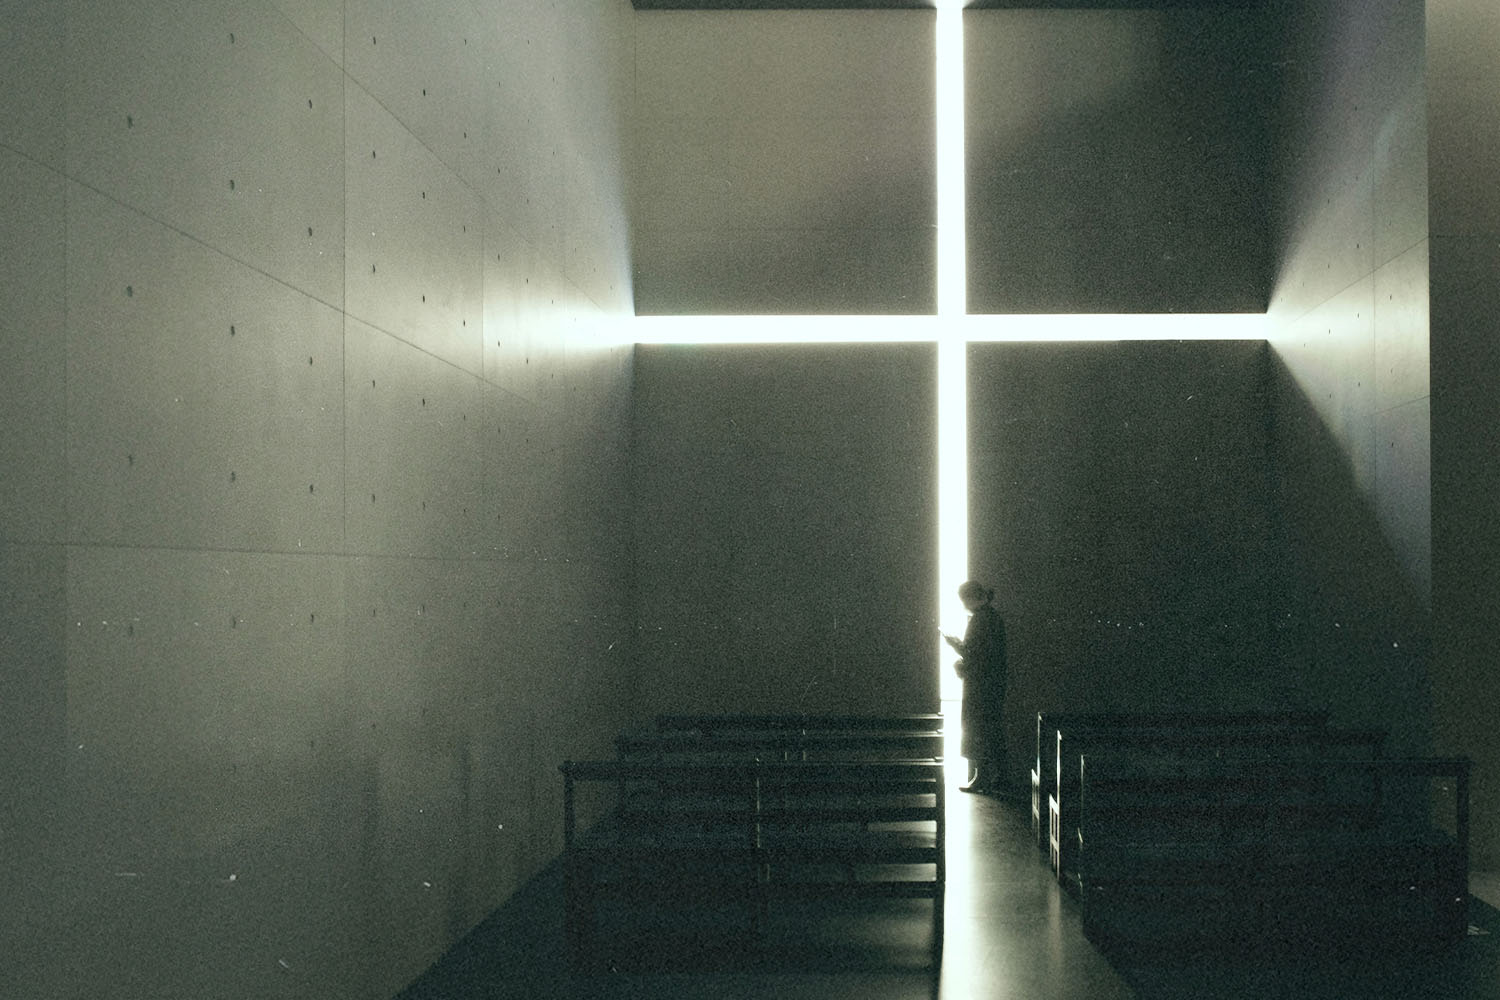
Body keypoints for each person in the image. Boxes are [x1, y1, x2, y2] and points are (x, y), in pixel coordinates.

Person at [942, 581, 1007, 794]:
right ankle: (994, 777)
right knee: (988, 730)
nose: (963, 605)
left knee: (977, 730)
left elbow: (975, 654)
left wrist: (956, 647)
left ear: (971, 598)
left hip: (980, 686)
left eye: (964, 600)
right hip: (991, 685)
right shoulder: (992, 618)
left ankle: (982, 777)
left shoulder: (981, 620)